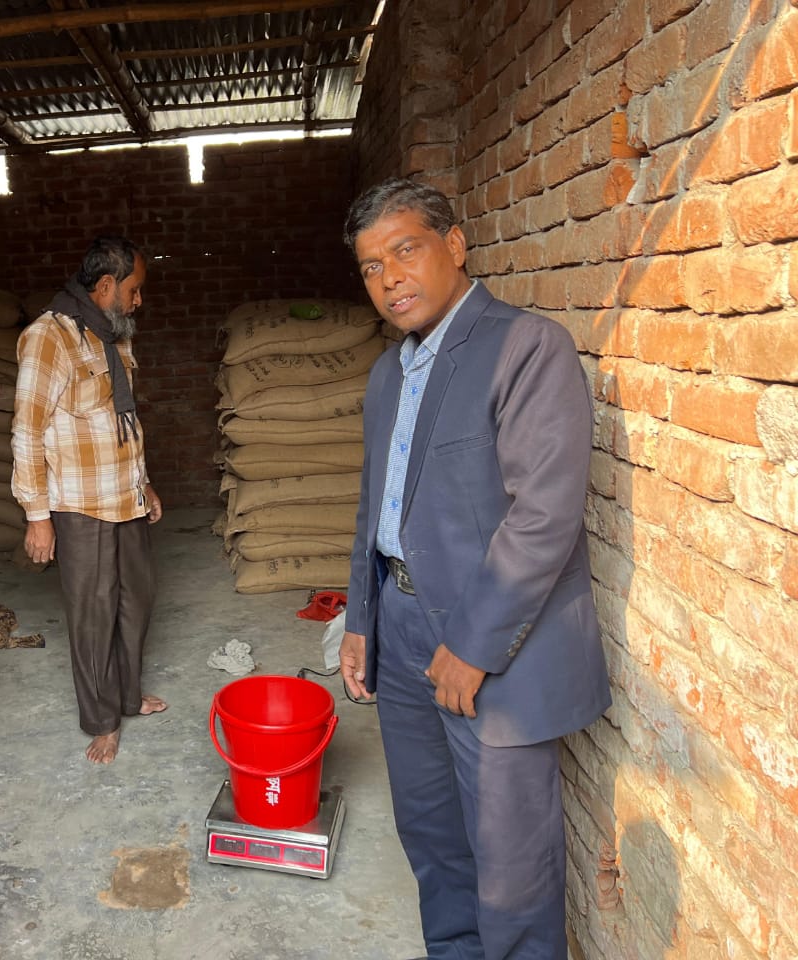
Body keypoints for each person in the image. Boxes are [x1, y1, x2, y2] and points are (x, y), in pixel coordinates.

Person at [338, 179, 611, 960]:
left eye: (405, 250)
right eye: (370, 266)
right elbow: (376, 507)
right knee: (431, 832)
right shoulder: (388, 374)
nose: (389, 277)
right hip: (400, 624)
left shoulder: (525, 348)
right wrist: (361, 619)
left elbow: (544, 514)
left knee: (511, 864)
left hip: (487, 643)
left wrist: (473, 644)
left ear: (454, 246)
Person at [11, 235, 166, 765]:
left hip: (126, 497)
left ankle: (127, 696)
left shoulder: (114, 335)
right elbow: (27, 430)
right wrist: (38, 516)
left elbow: (125, 421)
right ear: (105, 286)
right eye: (134, 290)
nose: (139, 300)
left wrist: (144, 482)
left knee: (136, 601)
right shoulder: (48, 337)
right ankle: (103, 720)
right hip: (80, 505)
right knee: (93, 615)